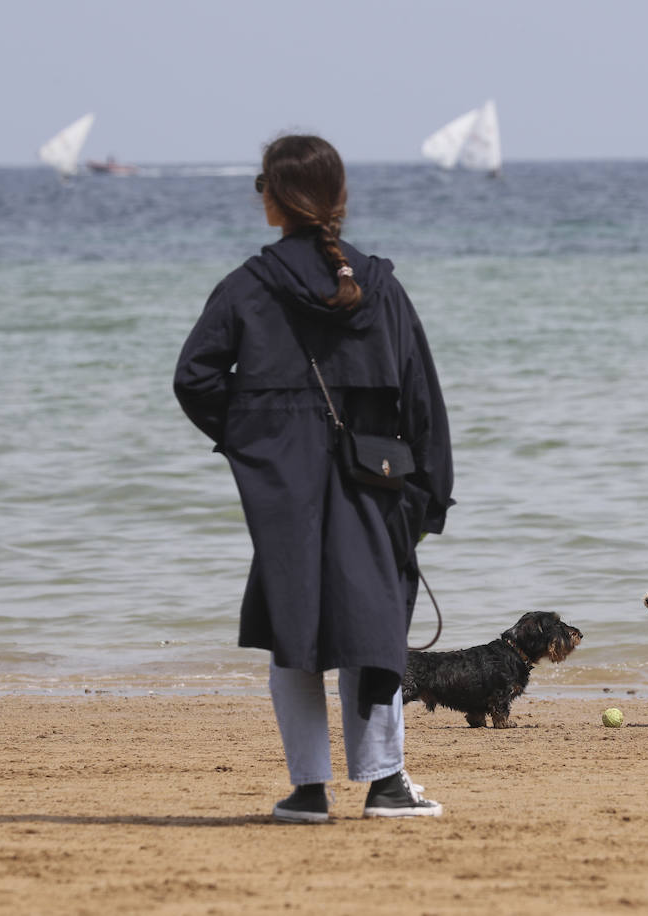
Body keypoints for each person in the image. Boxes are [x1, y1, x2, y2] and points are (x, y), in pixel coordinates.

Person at [173, 135, 454, 823]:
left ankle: (308, 790)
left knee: (291, 630)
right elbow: (422, 400)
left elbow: (195, 379)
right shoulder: (380, 286)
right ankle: (386, 785)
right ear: (339, 200)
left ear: (274, 200)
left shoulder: (249, 285)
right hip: (377, 484)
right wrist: (429, 495)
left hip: (283, 490)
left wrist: (259, 438)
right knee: (375, 630)